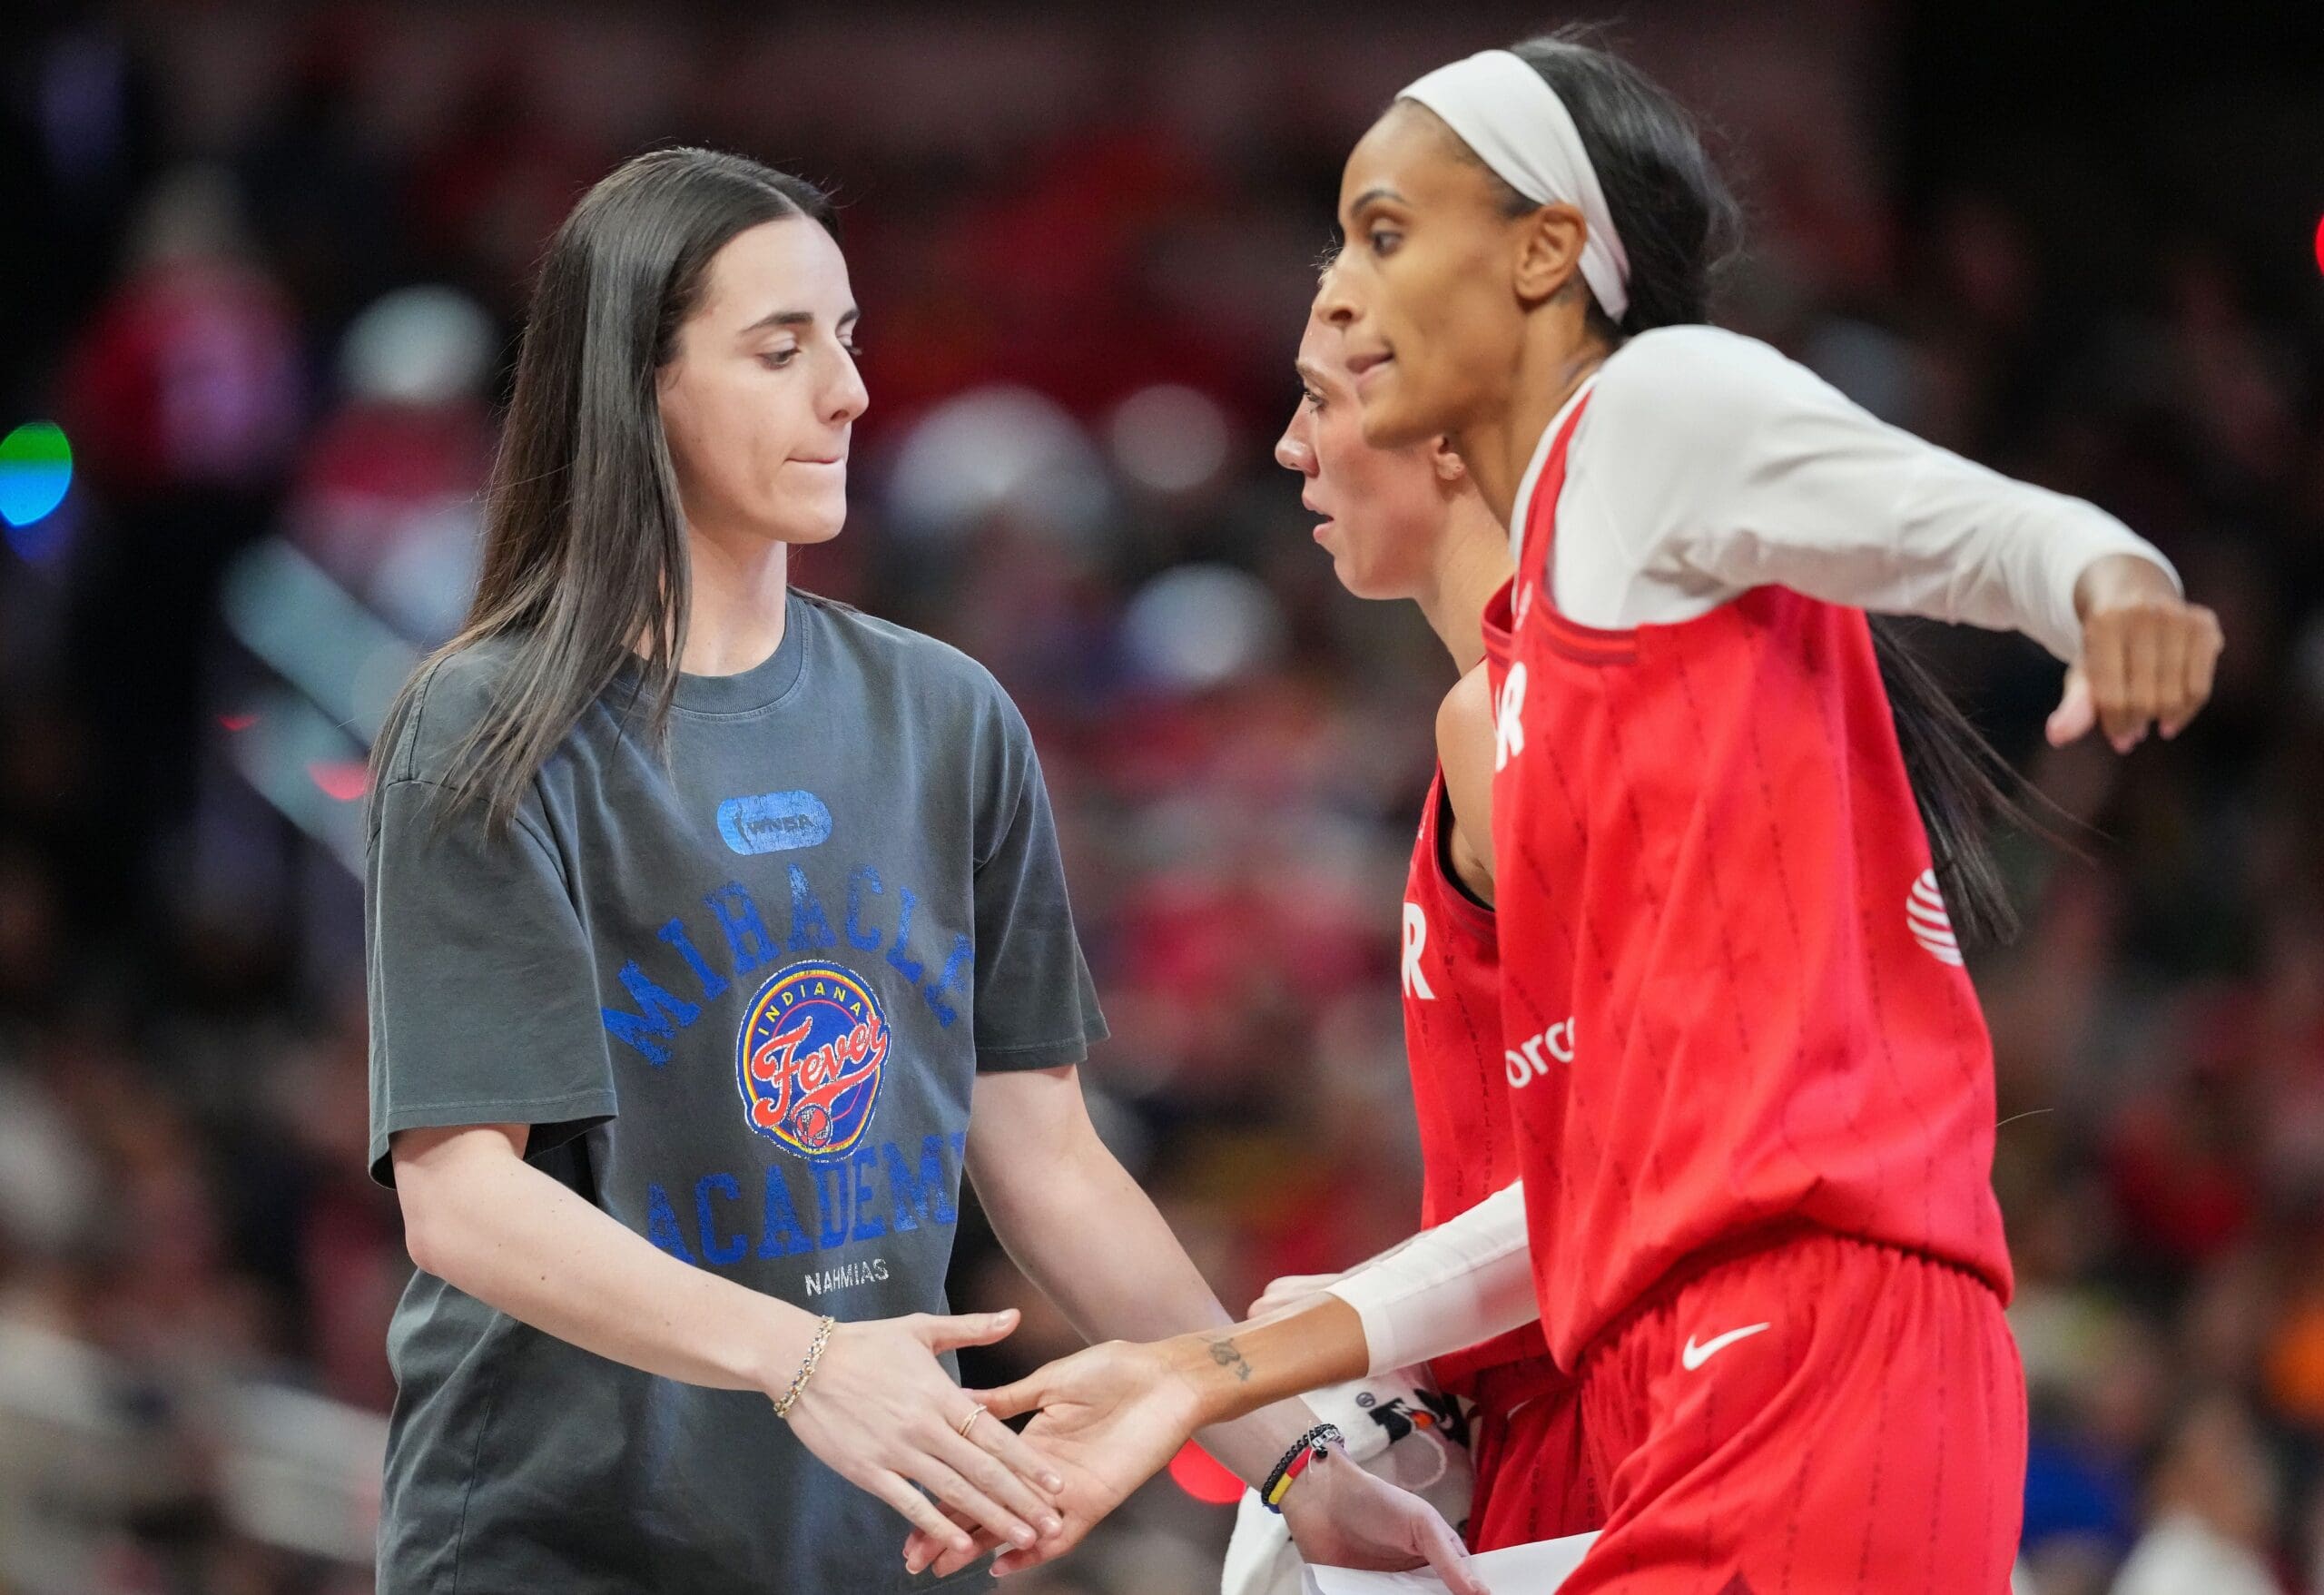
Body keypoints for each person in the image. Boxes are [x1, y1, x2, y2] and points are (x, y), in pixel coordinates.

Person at [913, 32, 2224, 1594]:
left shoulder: (1640, 418)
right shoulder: (1557, 666)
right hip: (1675, 1355)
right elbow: (1573, 1200)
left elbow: (1947, 520)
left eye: (1379, 244)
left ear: (1544, 257)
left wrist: (2105, 580)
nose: (1337, 318)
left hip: (1792, 1335)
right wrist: (1238, 1374)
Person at [364, 146, 1477, 1595]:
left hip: (868, 1545)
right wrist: (808, 1361)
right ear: (639, 383)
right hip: (553, 1545)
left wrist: (1294, 1457)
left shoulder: (947, 716)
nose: (848, 391)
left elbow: (1047, 1157)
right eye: (780, 349)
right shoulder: (488, 726)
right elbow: (463, 1200)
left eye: (845, 338)